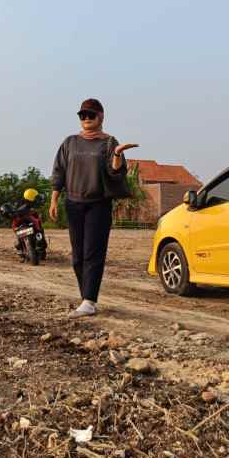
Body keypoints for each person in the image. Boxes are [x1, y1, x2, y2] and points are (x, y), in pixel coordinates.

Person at [49, 98, 138, 318]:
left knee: (93, 253)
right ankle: (86, 298)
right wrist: (54, 200)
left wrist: (117, 154)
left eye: (91, 115)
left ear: (101, 116)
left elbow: (115, 172)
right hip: (73, 204)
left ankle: (89, 301)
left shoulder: (109, 143)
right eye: (83, 115)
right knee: (77, 256)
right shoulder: (70, 143)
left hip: (98, 205)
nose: (86, 119)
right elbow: (59, 171)